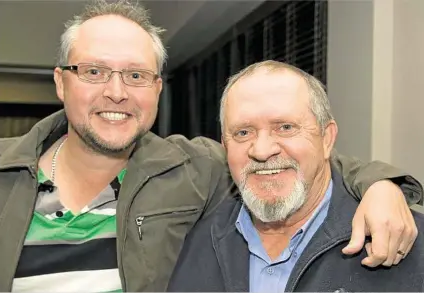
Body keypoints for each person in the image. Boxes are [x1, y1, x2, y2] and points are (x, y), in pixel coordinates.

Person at [0, 1, 422, 292]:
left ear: (158, 88)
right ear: (60, 81)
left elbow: (296, 162)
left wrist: (382, 186)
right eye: (93, 71)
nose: (116, 92)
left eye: (136, 75)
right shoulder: (4, 175)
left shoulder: (191, 169)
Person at [167, 61, 424, 292]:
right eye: (243, 133)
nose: (262, 150)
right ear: (224, 145)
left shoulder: (406, 239)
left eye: (285, 127)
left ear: (326, 138)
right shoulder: (198, 242)